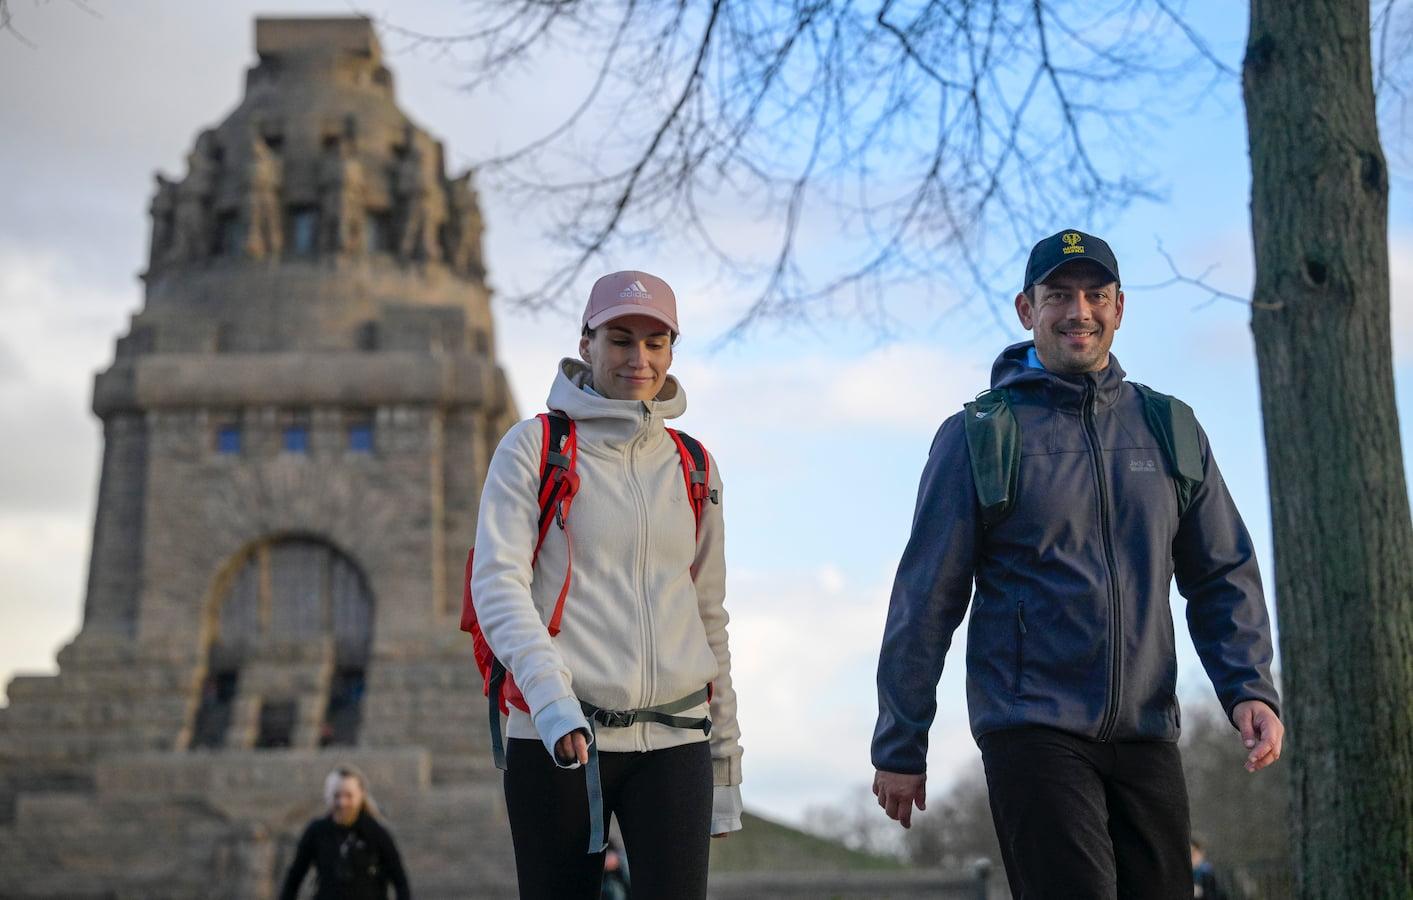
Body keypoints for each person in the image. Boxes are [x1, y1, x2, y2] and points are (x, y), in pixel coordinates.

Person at [871, 229, 1284, 899]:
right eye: (1058, 295)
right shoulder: (979, 435)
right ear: (1024, 309)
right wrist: (899, 741)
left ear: (1119, 307)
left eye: (1094, 295)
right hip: (1031, 729)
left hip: (1146, 730)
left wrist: (1248, 687)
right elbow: (925, 597)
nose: (1078, 311)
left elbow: (1220, 572)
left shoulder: (1168, 428)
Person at [471, 270, 744, 899]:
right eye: (621, 339)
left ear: (672, 349)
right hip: (559, 734)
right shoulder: (532, 446)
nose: (638, 359)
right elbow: (498, 583)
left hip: (677, 738)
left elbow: (708, 615)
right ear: (587, 341)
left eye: (656, 342)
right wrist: (550, 699)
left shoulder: (694, 463)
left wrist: (725, 755)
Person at [279, 764, 411, 900]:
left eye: (349, 796)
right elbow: (294, 877)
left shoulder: (376, 832)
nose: (342, 803)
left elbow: (399, 880)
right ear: (328, 796)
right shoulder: (316, 831)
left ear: (360, 795)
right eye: (337, 796)